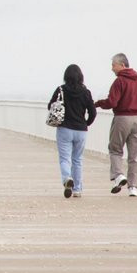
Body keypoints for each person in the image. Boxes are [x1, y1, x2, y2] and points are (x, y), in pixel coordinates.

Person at [94, 53, 137, 197]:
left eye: (113, 65)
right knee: (134, 155)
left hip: (123, 118)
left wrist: (97, 104)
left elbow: (112, 102)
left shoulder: (120, 81)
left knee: (115, 149)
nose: (112, 69)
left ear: (122, 65)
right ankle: (133, 187)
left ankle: (118, 176)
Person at [48, 64, 96, 198]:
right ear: (81, 76)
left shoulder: (60, 90)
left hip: (64, 129)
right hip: (81, 130)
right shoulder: (86, 92)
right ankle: (77, 189)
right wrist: (86, 123)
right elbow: (93, 112)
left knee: (65, 158)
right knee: (77, 160)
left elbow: (50, 106)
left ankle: (67, 178)